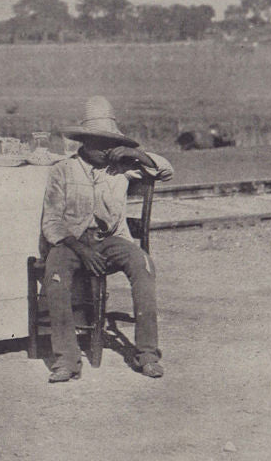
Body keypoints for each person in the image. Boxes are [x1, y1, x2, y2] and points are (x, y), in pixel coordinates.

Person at [39, 96, 173, 383]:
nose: (107, 149)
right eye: (100, 143)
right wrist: (80, 249)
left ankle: (147, 354)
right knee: (55, 276)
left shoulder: (122, 168)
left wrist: (136, 154)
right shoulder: (63, 170)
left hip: (111, 239)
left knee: (144, 266)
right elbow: (51, 221)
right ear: (85, 142)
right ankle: (67, 360)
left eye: (111, 143)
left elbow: (166, 170)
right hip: (71, 243)